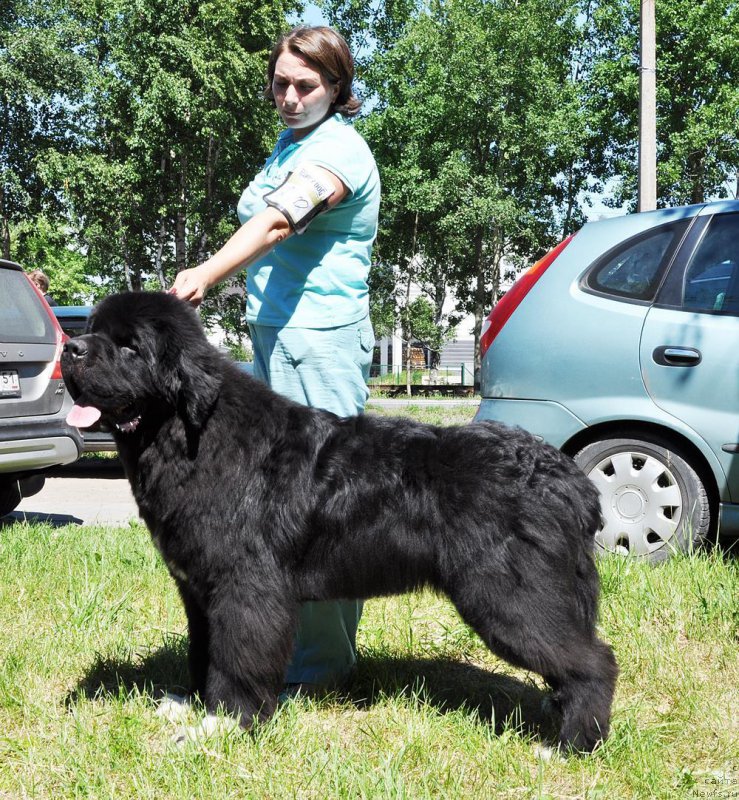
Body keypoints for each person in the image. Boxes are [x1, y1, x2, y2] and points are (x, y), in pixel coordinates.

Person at [171, 26, 381, 695]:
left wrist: (204, 273)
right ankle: (278, 654)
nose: (288, 97)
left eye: (306, 86)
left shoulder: (339, 151)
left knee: (322, 509)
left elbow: (278, 222)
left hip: (317, 340)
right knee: (270, 511)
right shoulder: (292, 143)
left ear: (337, 88)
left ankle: (321, 669)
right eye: (281, 83)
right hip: (273, 334)